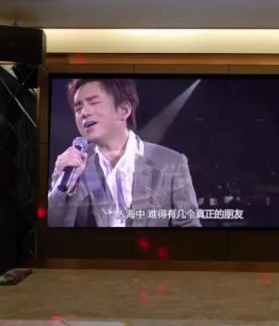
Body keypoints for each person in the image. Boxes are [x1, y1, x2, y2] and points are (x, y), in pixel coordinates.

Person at [48, 78, 201, 227]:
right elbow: (52, 226)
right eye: (78, 108)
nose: (84, 112)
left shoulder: (171, 162)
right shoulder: (74, 166)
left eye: (93, 102)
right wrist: (60, 183)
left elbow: (188, 226)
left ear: (124, 110)